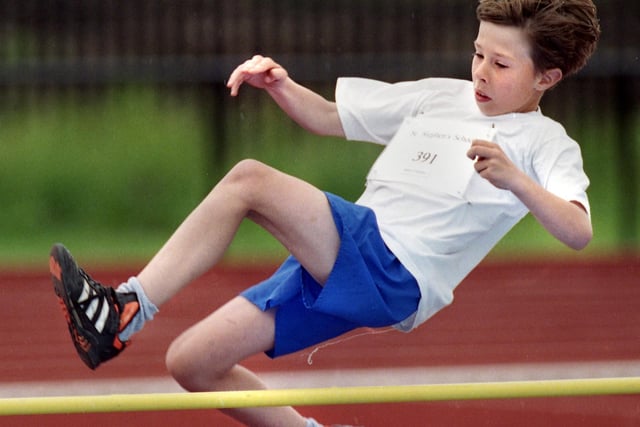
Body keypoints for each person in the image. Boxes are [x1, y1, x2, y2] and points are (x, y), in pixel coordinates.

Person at [49, 1, 600, 426]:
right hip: (347, 259)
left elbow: (577, 231)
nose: (481, 71)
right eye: (478, 52)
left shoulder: (545, 144)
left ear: (547, 78)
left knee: (249, 180)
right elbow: (332, 117)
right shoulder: (442, 96)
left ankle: (122, 310)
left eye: (500, 63)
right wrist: (282, 86)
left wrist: (516, 179)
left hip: (391, 269)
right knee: (193, 362)